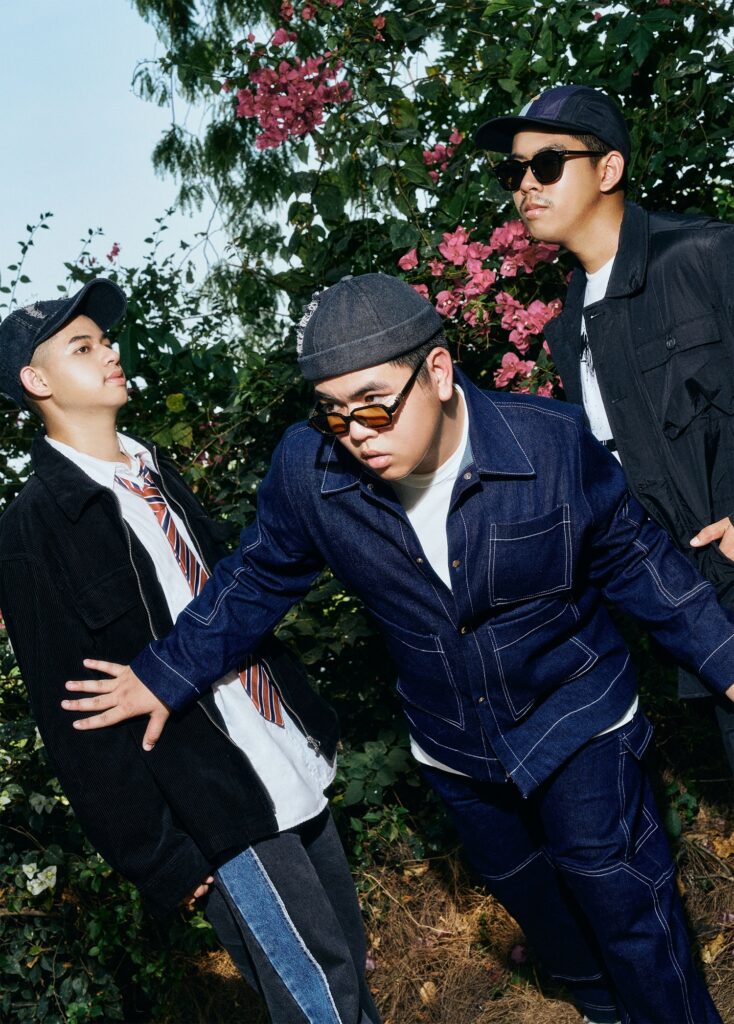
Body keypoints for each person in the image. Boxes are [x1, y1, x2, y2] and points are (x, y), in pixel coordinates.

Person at [61, 272, 734, 1023]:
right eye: (333, 412)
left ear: (438, 373)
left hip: (576, 714)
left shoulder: (548, 442)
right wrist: (165, 671)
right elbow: (257, 577)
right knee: (541, 909)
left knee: (626, 904)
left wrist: (726, 661)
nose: (356, 431)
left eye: (375, 403)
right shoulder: (311, 468)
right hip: (455, 745)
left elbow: (639, 562)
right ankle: (604, 1010)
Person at [0, 278, 380, 1024]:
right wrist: (158, 854)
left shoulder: (153, 474)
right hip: (215, 799)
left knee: (348, 967)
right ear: (37, 382)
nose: (110, 352)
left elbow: (233, 604)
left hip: (281, 750)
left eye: (105, 340)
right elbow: (72, 715)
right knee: (320, 999)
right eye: (83, 347)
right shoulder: (32, 528)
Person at [475, 83, 734, 773]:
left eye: (546, 164)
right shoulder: (574, 318)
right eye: (514, 172)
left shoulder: (705, 254)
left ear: (609, 168)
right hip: (697, 599)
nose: (525, 185)